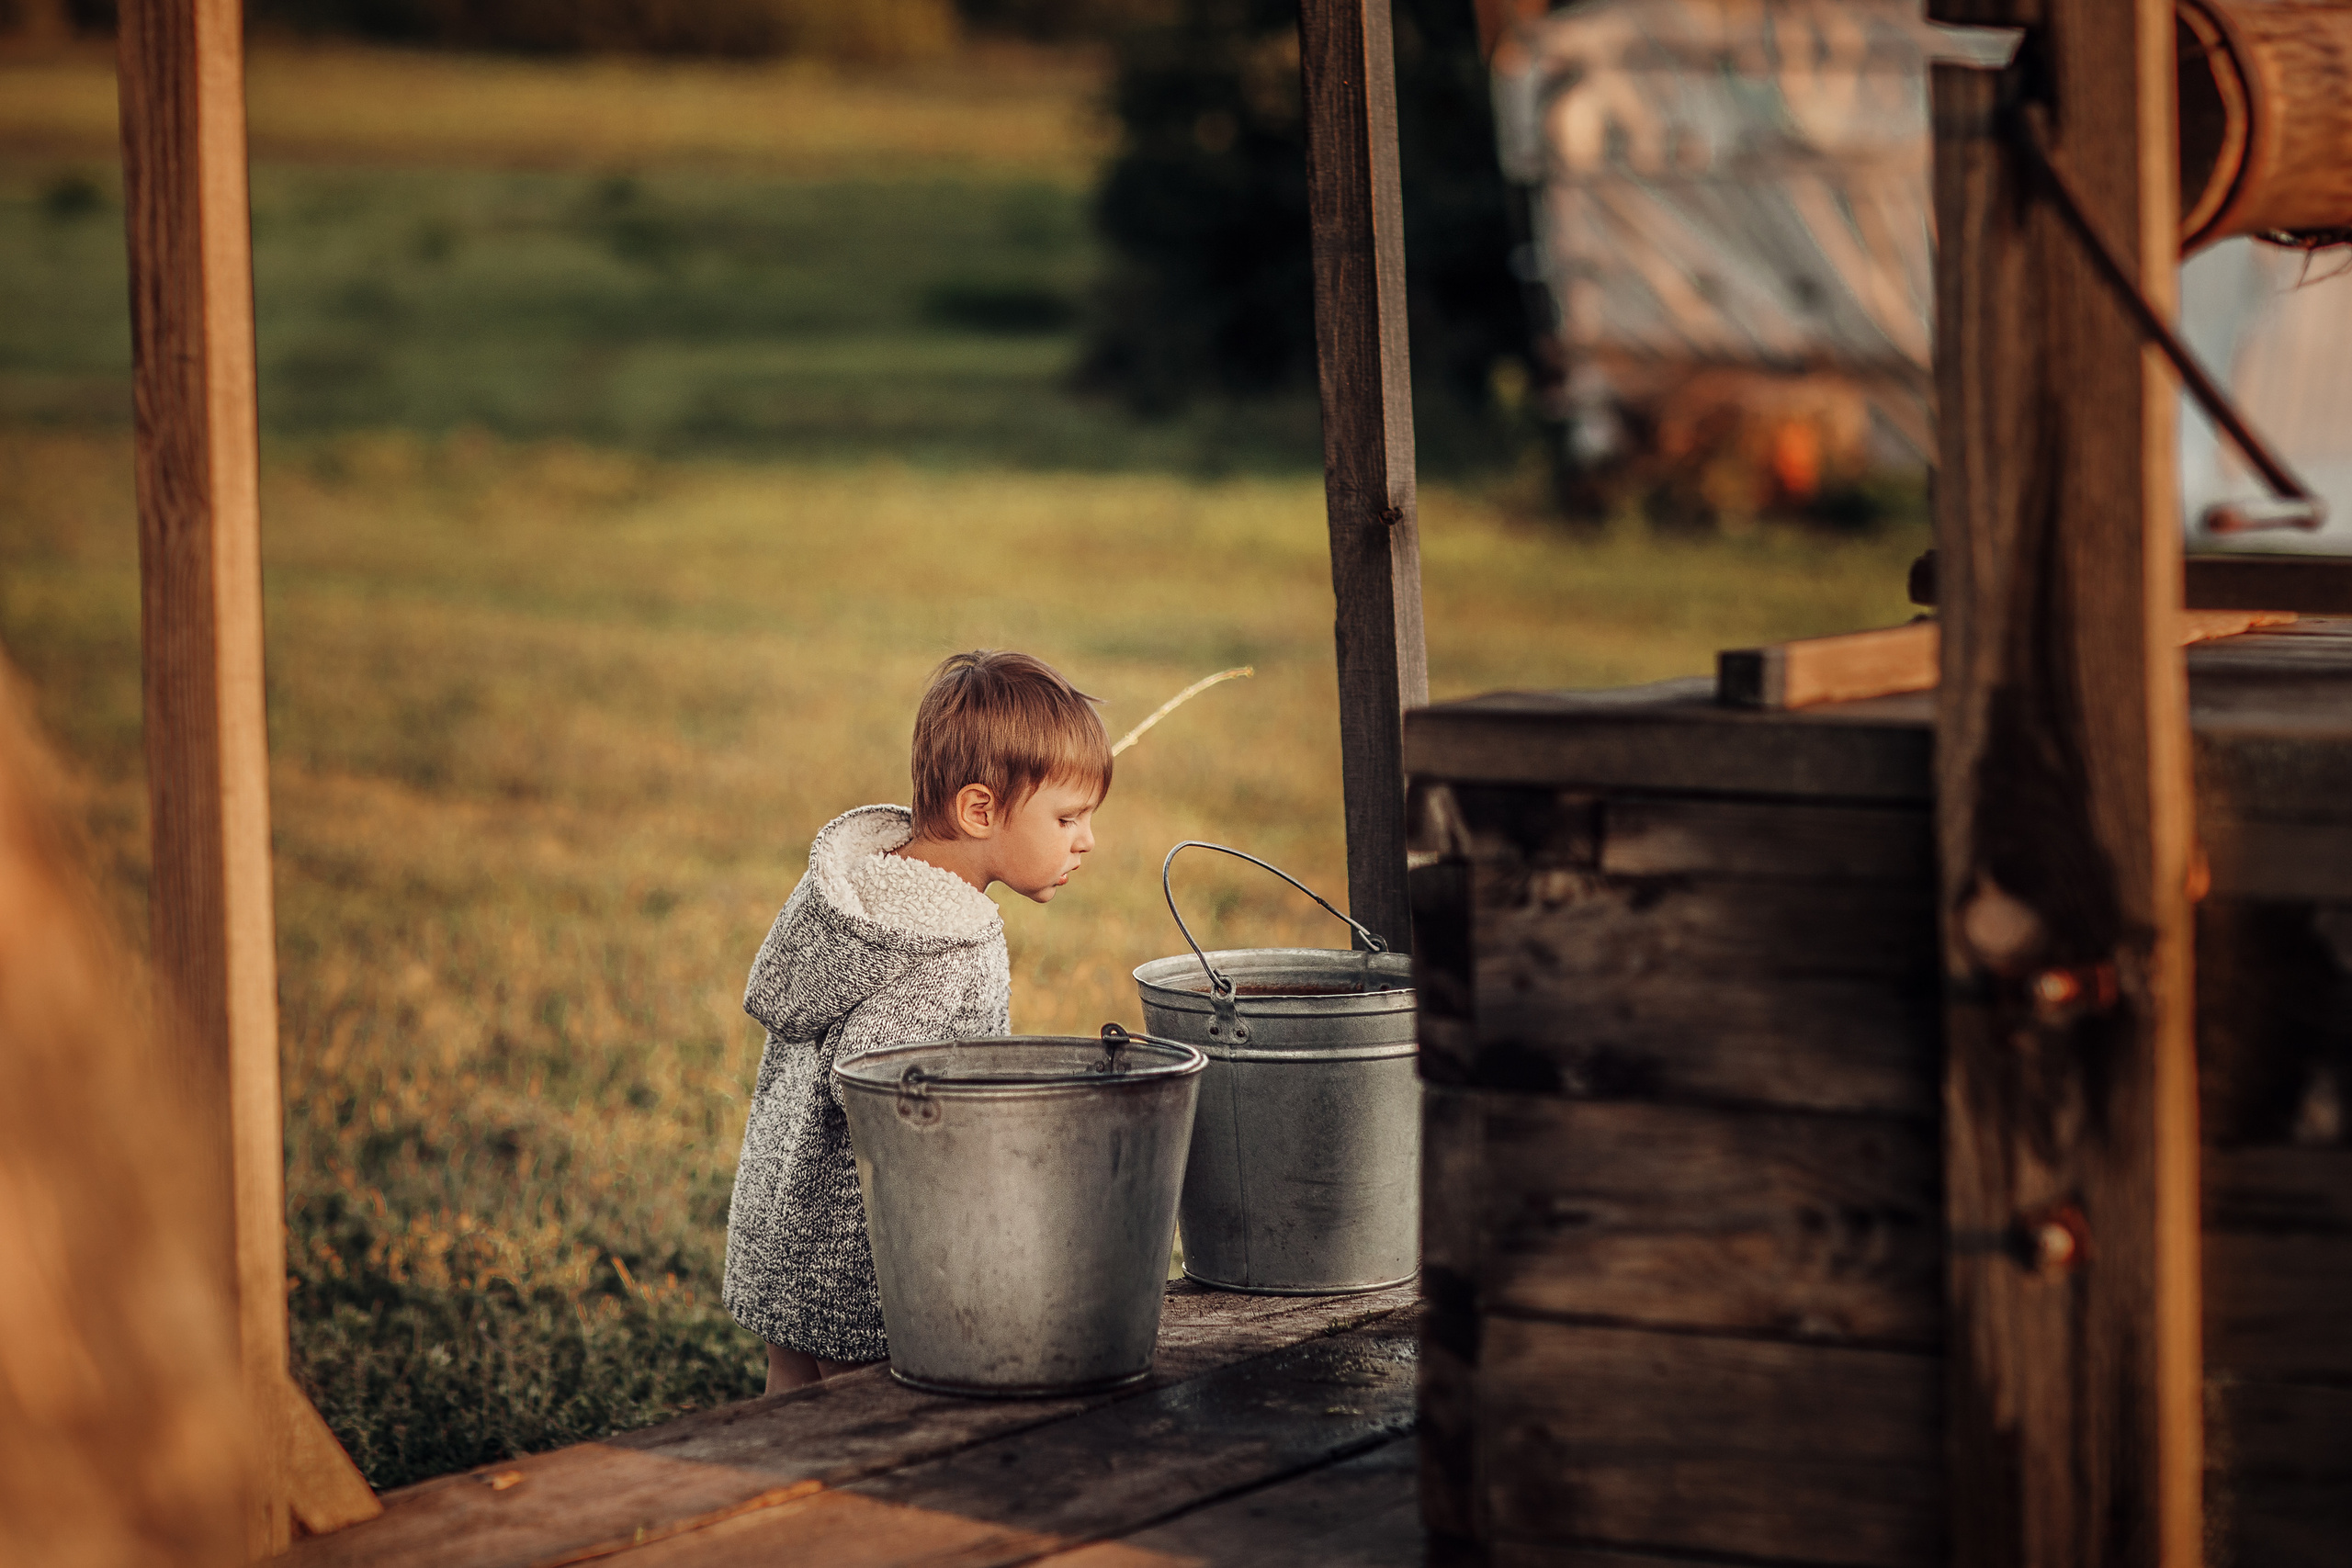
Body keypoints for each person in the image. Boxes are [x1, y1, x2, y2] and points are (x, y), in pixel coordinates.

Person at [722, 649, 1111, 1393]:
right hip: (861, 1253)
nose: (1085, 840)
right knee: (867, 1420)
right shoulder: (943, 945)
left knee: (786, 1400)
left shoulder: (859, 897)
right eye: (1068, 817)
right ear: (978, 810)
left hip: (786, 1217)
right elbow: (876, 1092)